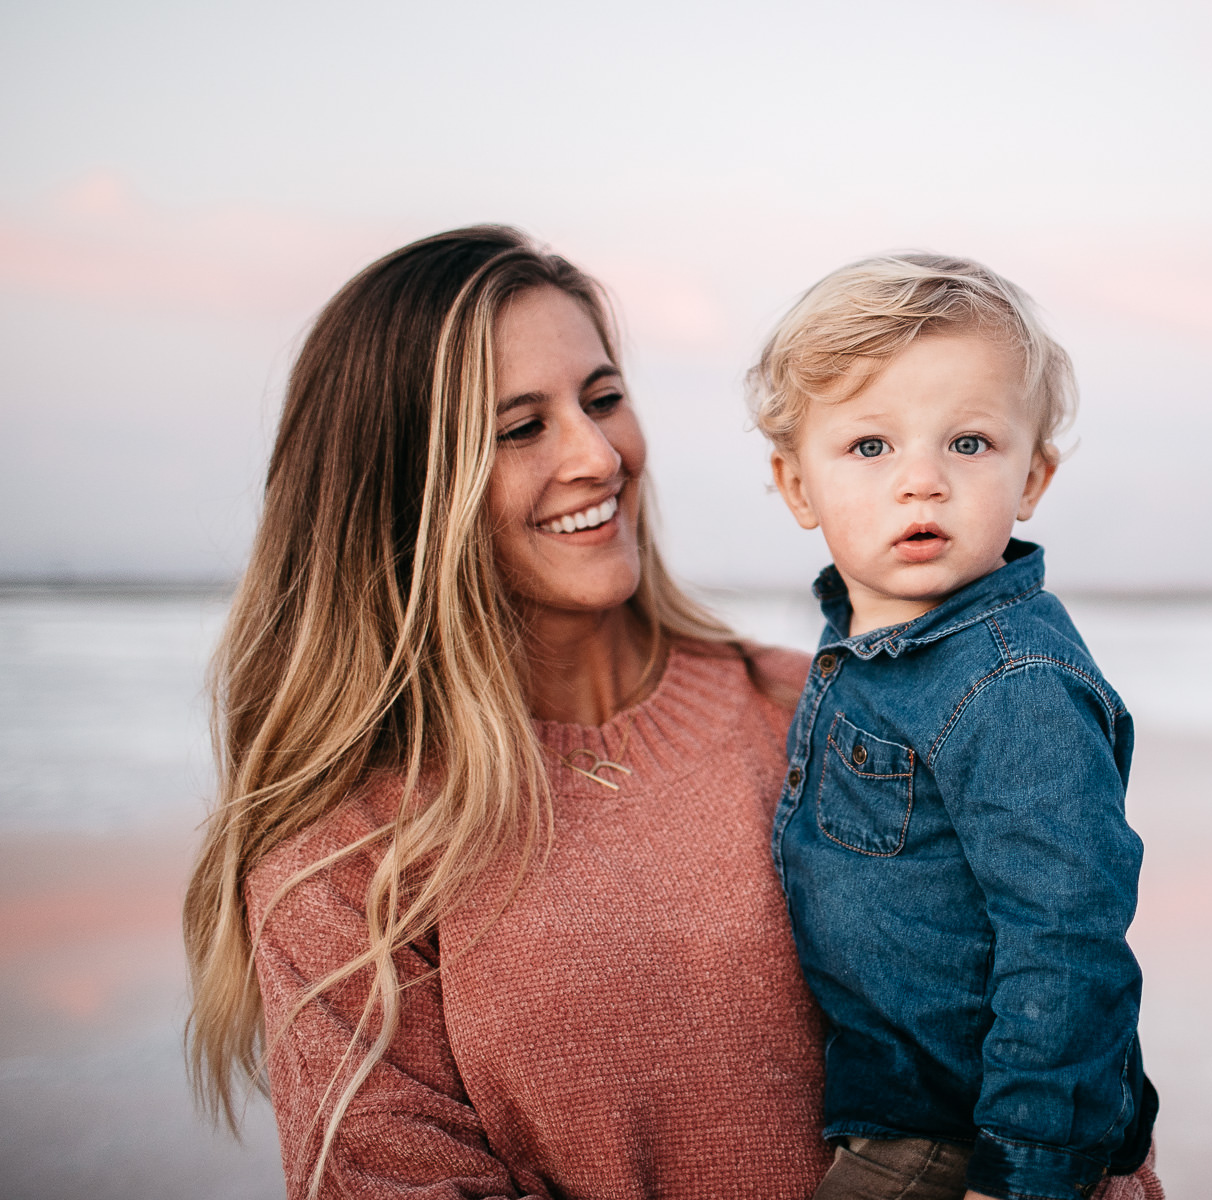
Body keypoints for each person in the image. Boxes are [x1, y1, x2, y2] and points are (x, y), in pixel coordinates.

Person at [183, 226, 833, 1199]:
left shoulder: (818, 712)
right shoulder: (344, 847)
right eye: (519, 428)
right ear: (404, 490)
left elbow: (1052, 1058)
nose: (597, 454)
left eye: (603, 398)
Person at [747, 255, 1162, 1200]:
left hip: (953, 1141)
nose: (922, 483)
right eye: (870, 447)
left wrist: (1022, 1171)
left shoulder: (1014, 683)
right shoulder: (862, 649)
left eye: (969, 444)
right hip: (887, 1107)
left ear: (1033, 476)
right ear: (796, 485)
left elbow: (1067, 940)